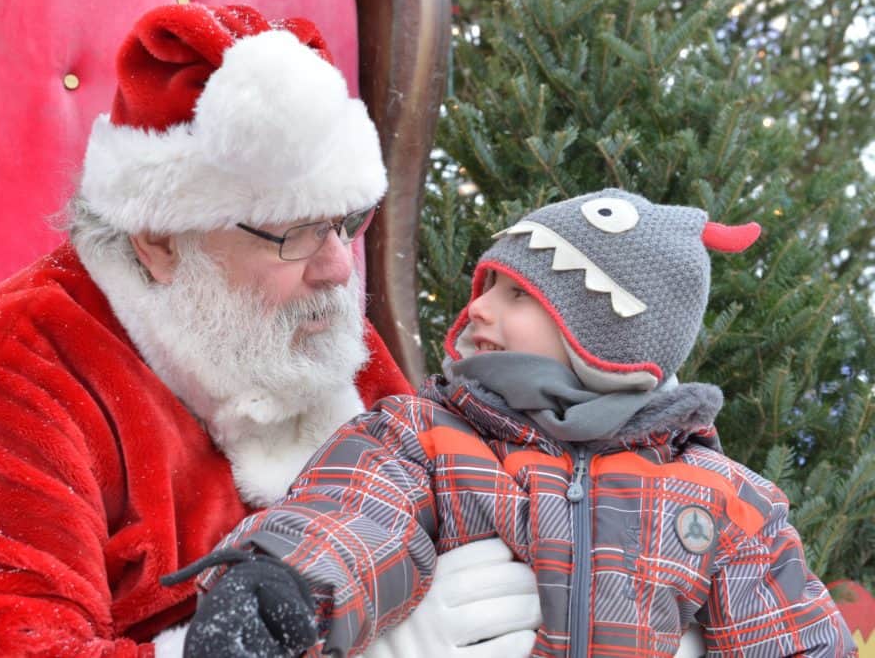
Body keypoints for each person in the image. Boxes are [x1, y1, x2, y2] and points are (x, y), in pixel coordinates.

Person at [0, 3, 540, 656]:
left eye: (343, 223)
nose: (336, 267)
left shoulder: (310, 324)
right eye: (293, 233)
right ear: (158, 239)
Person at [175, 189, 858, 657]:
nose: (479, 310)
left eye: (519, 294)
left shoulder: (720, 498)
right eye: (488, 288)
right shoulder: (429, 436)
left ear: (606, 333)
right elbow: (356, 516)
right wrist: (281, 591)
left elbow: (790, 631)